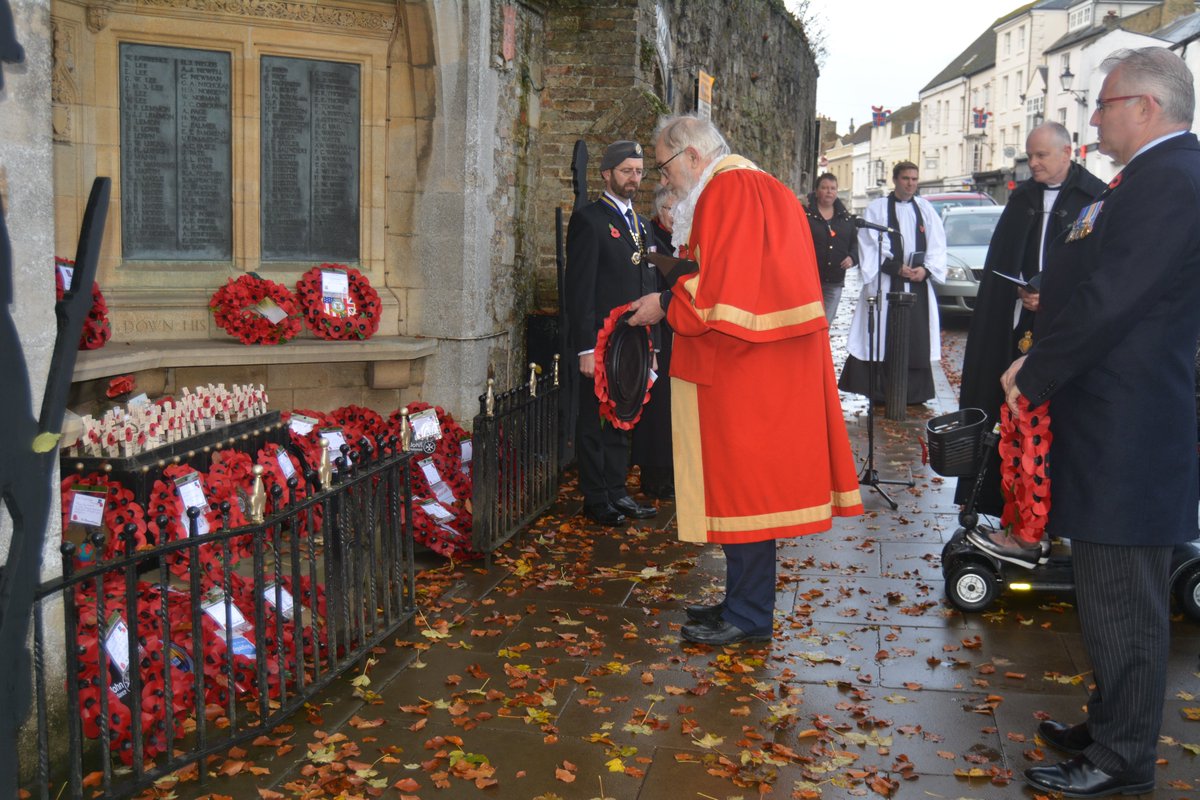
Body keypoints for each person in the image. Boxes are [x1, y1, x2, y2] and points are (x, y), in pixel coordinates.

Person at [1000, 47, 1200, 798]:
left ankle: (1122, 761)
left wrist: (1036, 371)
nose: (1095, 117)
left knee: (1127, 600)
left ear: (1146, 107)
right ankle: (1114, 720)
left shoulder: (1172, 181)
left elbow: (1116, 297)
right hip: (1115, 422)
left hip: (1131, 430)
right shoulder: (1150, 180)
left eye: (1106, 103)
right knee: (1107, 588)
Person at [627, 115, 863, 646]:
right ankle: (740, 602)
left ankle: (751, 617)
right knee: (742, 491)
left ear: (691, 156)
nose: (664, 180)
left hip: (744, 369)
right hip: (756, 364)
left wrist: (665, 302)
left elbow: (717, 295)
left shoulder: (728, 190)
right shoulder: (752, 185)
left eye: (664, 165)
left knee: (748, 494)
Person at [956, 122, 1105, 563]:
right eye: (1030, 155)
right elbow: (1005, 258)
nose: (1033, 164)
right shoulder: (1020, 200)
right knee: (1016, 424)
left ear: (1068, 151)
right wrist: (1019, 292)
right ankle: (1016, 516)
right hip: (1019, 331)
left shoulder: (1094, 198)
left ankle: (1056, 522)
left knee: (1059, 429)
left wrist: (1053, 295)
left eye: (1041, 156)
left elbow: (1098, 273)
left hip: (1067, 336)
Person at [565, 140, 659, 526]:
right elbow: (579, 288)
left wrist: (650, 345)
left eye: (638, 171)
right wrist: (585, 347)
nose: (634, 178)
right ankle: (596, 497)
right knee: (594, 418)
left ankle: (618, 491)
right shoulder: (590, 219)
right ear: (606, 174)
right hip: (600, 340)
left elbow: (646, 281)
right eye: (626, 171)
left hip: (632, 340)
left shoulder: (640, 224)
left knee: (625, 413)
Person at [840, 161, 946, 405]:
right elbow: (869, 242)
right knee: (883, 332)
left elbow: (938, 244)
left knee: (916, 336)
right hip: (887, 281)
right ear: (895, 180)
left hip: (917, 284)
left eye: (914, 179)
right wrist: (894, 267)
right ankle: (880, 390)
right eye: (906, 178)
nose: (910, 184)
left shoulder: (925, 209)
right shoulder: (877, 209)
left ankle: (913, 393)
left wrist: (925, 270)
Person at [631, 186, 677, 499]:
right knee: (658, 407)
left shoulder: (685, 239)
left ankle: (674, 471)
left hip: (680, 333)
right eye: (670, 209)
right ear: (659, 210)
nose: (675, 216)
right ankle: (655, 475)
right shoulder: (650, 238)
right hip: (659, 333)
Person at [804, 172, 858, 323]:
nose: (829, 191)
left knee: (824, 324)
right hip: (809, 280)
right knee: (807, 323)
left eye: (833, 188)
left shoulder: (846, 219)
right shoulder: (805, 215)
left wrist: (852, 258)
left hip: (834, 280)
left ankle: (820, 347)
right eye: (825, 187)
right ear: (816, 191)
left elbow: (855, 244)